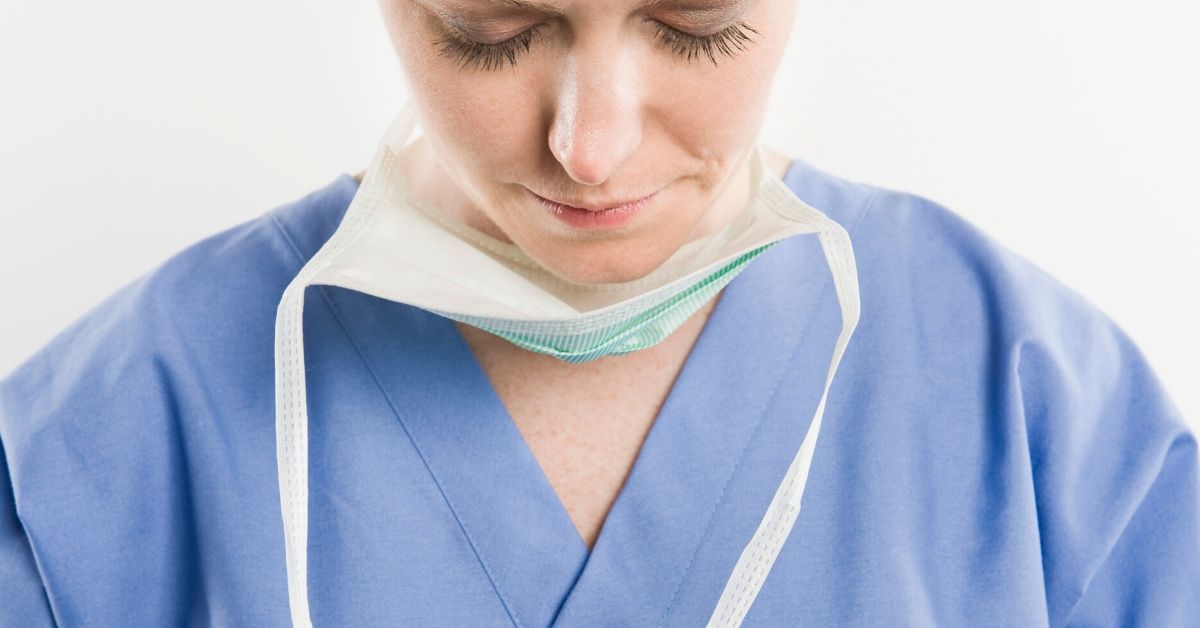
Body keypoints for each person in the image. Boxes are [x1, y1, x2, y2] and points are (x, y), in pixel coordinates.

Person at [1, 0, 1196, 625]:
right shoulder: (90, 466)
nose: (592, 146)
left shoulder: (1054, 432)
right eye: (492, 29)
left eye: (695, 22)